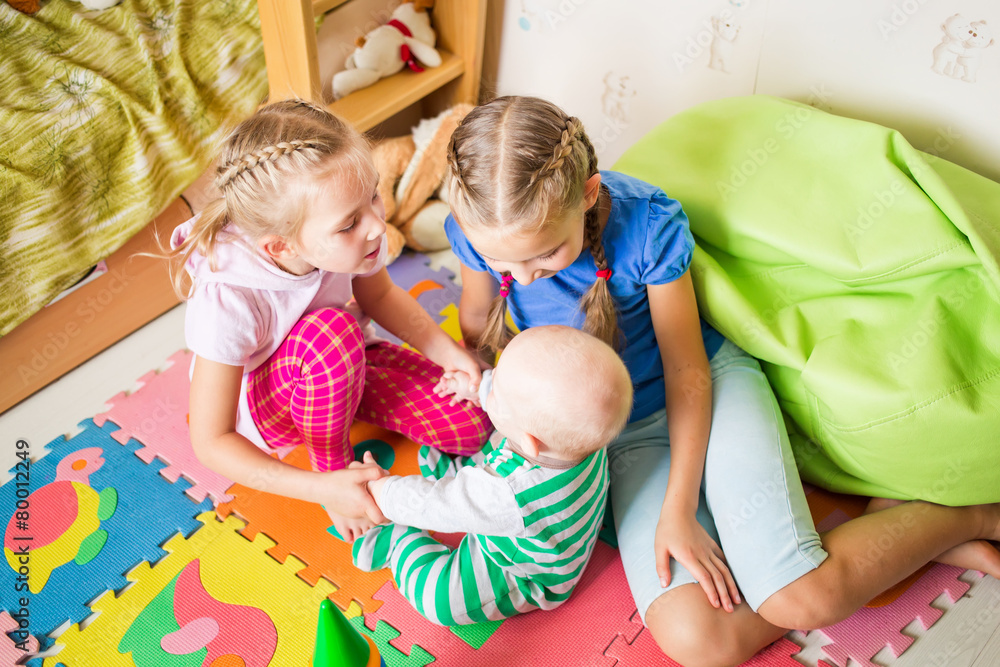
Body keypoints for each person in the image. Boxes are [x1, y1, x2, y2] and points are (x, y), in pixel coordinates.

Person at [443, 95, 1000, 666]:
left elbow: (689, 373)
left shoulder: (647, 226)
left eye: (543, 255)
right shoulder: (484, 232)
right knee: (701, 641)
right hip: (619, 434)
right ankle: (883, 539)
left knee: (799, 598)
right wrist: (494, 394)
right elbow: (477, 323)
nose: (521, 277)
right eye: (501, 264)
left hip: (706, 390)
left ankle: (969, 516)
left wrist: (679, 508)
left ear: (587, 194)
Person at [165, 99, 492, 542]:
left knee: (472, 425)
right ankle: (333, 465)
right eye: (349, 223)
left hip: (342, 360)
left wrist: (449, 354)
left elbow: (380, 296)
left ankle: (341, 400)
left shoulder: (354, 236)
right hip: (274, 403)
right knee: (331, 334)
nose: (377, 226)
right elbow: (211, 441)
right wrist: (325, 486)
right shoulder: (227, 297)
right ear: (282, 247)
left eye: (373, 195)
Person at [352, 325, 634, 624]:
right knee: (498, 438)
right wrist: (480, 389)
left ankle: (398, 540)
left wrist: (382, 490)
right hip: (530, 517)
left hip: (520, 571)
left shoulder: (510, 492)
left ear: (529, 441)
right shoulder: (579, 434)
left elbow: (436, 506)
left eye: (495, 389)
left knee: (441, 602)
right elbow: (527, 411)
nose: (489, 383)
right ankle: (466, 479)